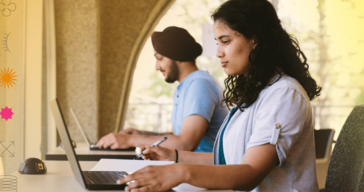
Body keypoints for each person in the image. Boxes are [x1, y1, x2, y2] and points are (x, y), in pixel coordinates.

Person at [117, 0, 322, 191]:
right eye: (217, 42)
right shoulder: (256, 92)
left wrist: (179, 172)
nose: (218, 52)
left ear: (255, 40)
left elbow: (250, 171)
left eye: (225, 41)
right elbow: (230, 161)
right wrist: (174, 156)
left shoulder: (284, 94)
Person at [97, 26, 229, 152]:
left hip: (205, 171)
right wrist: (141, 134)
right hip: (189, 168)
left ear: (177, 56)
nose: (157, 67)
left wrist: (131, 140)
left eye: (160, 58)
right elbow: (175, 136)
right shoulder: (185, 86)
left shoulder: (200, 85)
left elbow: (185, 144)